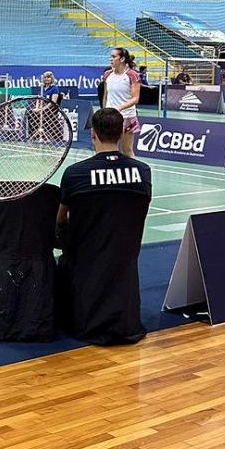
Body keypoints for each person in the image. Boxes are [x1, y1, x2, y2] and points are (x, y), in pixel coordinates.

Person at [55, 107, 151, 344]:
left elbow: (60, 219)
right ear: (121, 134)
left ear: (93, 134)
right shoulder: (143, 172)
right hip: (125, 254)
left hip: (85, 257)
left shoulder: (76, 173)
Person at [101, 47, 142, 157]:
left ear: (122, 59)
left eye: (114, 57)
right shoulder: (107, 74)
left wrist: (119, 108)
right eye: (110, 57)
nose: (111, 59)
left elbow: (135, 98)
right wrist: (105, 112)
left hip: (127, 116)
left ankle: (134, 172)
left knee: (126, 150)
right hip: (110, 117)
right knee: (108, 150)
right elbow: (106, 96)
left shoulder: (132, 75)